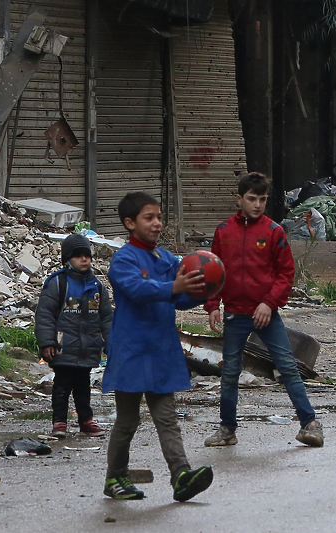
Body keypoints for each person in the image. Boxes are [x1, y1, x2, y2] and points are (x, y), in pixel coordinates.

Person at [101, 192, 213, 502]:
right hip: (131, 351)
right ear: (129, 223)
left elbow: (180, 297)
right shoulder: (123, 259)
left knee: (166, 416)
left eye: (159, 217)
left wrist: (206, 289)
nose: (157, 223)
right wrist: (173, 286)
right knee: (128, 420)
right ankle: (115, 477)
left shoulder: (166, 259)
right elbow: (137, 289)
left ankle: (181, 476)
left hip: (161, 350)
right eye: (149, 218)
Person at [203, 172, 323, 448]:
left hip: (266, 316)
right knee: (230, 372)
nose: (257, 204)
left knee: (288, 368)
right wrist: (212, 306)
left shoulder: (273, 232)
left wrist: (269, 303)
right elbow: (213, 271)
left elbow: (286, 273)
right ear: (239, 199)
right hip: (234, 314)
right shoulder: (224, 232)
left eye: (263, 199)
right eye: (252, 198)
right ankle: (227, 430)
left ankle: (310, 424)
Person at [35, 233, 112, 438]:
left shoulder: (97, 287)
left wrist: (110, 342)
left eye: (86, 255)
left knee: (83, 388)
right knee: (61, 386)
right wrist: (47, 342)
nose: (84, 259)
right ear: (67, 260)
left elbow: (106, 318)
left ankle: (86, 421)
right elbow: (45, 316)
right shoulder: (58, 284)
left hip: (88, 347)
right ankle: (59, 422)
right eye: (78, 256)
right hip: (63, 345)